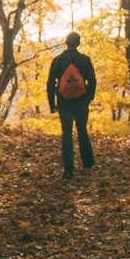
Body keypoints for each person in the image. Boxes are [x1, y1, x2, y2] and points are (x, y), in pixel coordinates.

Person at [46, 31, 97, 177]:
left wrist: (52, 104)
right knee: (82, 130)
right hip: (81, 102)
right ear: (78, 43)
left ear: (66, 43)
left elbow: (50, 83)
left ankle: (69, 168)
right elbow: (92, 81)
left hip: (64, 103)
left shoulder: (58, 60)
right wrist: (89, 98)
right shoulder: (84, 60)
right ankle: (87, 163)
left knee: (67, 133)